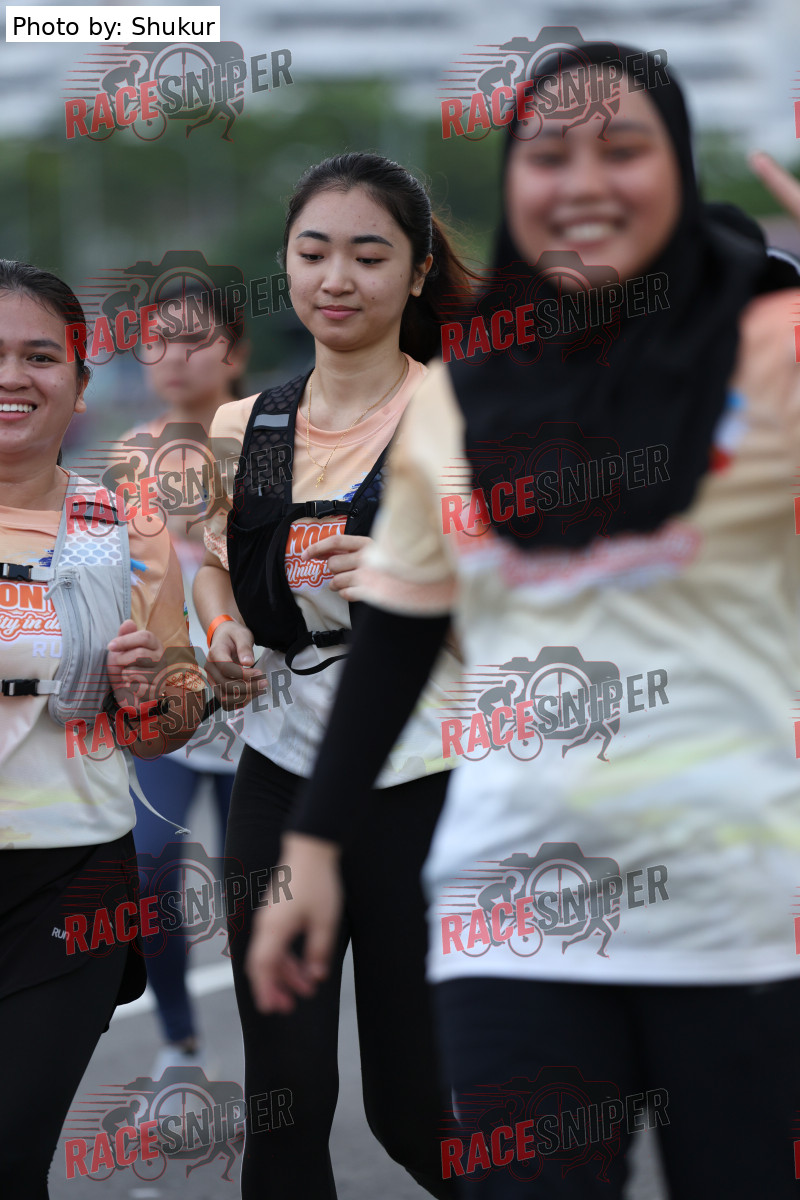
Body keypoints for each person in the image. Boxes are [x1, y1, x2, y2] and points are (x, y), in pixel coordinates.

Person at [245, 48, 800, 1200]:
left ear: (677, 170)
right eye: (548, 155)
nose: (581, 181)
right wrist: (313, 842)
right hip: (511, 907)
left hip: (736, 907)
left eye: (622, 149)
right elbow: (397, 633)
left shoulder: (775, 353)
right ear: (512, 183)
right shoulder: (463, 391)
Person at [194, 152, 475, 1198]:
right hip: (277, 773)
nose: (337, 278)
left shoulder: (464, 415)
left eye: (369, 254)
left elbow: (525, 617)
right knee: (285, 1095)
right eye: (313, 253)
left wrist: (415, 583)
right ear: (287, 265)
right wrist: (221, 632)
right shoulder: (245, 426)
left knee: (412, 1111)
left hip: (418, 778)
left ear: (417, 271)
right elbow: (216, 567)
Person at [0, 261, 212, 1199]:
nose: (13, 377)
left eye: (40, 356)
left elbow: (172, 725)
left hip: (71, 881)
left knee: (10, 1156)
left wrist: (148, 691)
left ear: (81, 384)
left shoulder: (122, 526)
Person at [113, 282, 250, 1080]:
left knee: (253, 891)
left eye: (194, 339)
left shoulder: (270, 435)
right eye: (157, 340)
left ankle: (279, 1052)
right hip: (167, 705)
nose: (173, 357)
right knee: (149, 868)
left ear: (234, 350)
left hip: (258, 702)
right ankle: (178, 1043)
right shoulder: (132, 454)